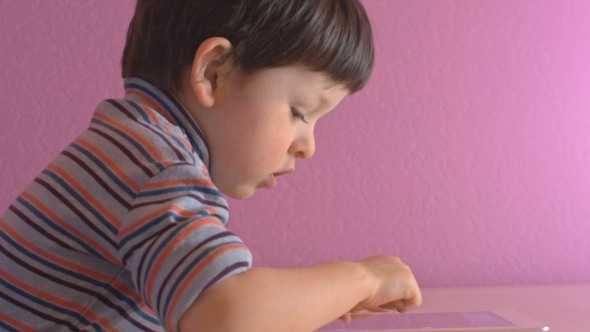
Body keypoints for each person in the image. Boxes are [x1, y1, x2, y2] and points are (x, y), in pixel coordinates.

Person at [0, 0, 422, 331]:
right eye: (299, 111)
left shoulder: (131, 140)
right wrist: (363, 278)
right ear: (214, 71)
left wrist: (305, 306)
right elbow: (226, 316)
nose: (308, 146)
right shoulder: (155, 166)